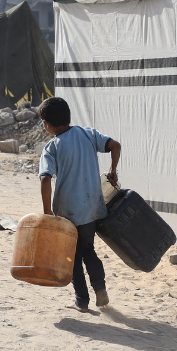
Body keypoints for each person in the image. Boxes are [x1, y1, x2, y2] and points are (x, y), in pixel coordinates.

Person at [37, 96, 122, 313]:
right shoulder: (88, 134)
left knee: (72, 256)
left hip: (68, 213)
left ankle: (81, 301)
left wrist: (47, 212)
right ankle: (100, 290)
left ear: (46, 124)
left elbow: (45, 178)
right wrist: (112, 170)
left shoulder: (51, 147)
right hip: (93, 208)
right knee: (88, 249)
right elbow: (115, 146)